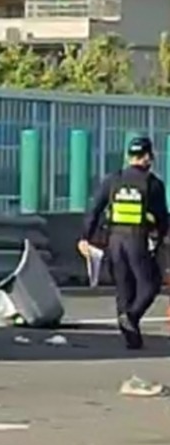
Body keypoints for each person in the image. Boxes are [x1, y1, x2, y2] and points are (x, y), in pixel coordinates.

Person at [79, 135, 170, 350]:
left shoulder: (113, 179)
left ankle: (132, 338)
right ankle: (132, 316)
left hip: (114, 240)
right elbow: (162, 217)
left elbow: (94, 210)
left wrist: (86, 237)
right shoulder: (153, 184)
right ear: (148, 157)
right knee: (150, 284)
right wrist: (159, 239)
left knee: (124, 288)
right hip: (137, 239)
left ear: (129, 156)